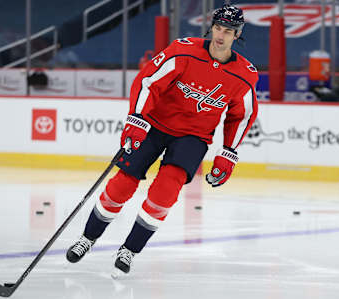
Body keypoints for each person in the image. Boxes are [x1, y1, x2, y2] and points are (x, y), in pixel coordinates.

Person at [66, 4, 258, 278]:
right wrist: (136, 119)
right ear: (211, 27)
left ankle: (129, 250)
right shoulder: (183, 50)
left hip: (193, 136)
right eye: (217, 27)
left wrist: (228, 152)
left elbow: (241, 116)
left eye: (228, 31)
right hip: (155, 125)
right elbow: (148, 82)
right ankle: (88, 237)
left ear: (237, 35)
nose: (220, 35)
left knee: (165, 191)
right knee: (122, 184)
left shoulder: (245, 74)